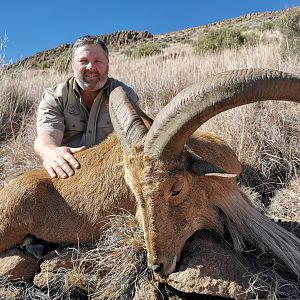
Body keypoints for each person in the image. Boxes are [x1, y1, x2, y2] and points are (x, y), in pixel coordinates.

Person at [34, 35, 144, 179]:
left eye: (98, 61)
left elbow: (137, 139)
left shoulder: (124, 94)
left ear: (107, 65)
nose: (91, 67)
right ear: (73, 65)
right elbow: (47, 134)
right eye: (83, 61)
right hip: (68, 173)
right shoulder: (55, 96)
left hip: (112, 173)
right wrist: (49, 151)